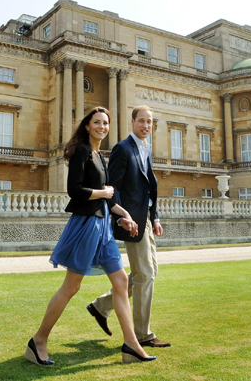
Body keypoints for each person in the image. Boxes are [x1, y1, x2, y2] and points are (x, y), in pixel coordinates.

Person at [25, 107, 156, 366]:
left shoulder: (99, 155)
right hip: (86, 225)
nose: (102, 127)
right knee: (71, 287)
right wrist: (104, 194)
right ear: (87, 126)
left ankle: (131, 344)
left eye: (105, 123)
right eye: (97, 122)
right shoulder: (82, 152)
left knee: (120, 281)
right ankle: (38, 341)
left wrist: (123, 215)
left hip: (104, 225)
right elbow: (75, 190)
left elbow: (107, 197)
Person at [87, 105, 171, 348]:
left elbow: (148, 188)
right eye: (142, 121)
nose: (146, 126)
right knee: (145, 275)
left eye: (150, 122)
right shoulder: (123, 148)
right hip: (131, 221)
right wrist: (122, 216)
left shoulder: (146, 149)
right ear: (133, 122)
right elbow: (114, 188)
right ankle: (143, 335)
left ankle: (100, 306)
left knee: (147, 272)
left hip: (145, 218)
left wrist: (155, 217)